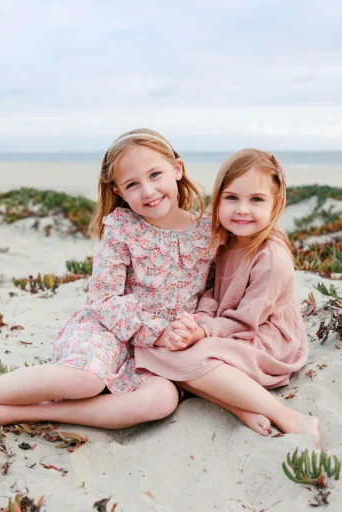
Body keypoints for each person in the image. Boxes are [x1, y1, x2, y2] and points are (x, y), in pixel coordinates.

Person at [0, 128, 215, 433]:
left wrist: (193, 329)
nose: (148, 191)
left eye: (155, 175)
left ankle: (17, 413)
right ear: (120, 192)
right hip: (111, 329)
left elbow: (221, 289)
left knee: (160, 402)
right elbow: (103, 300)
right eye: (132, 184)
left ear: (177, 169)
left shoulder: (209, 230)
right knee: (87, 380)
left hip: (166, 347)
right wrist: (155, 331)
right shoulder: (122, 229)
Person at [135, 148, 320, 443]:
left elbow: (246, 321)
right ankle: (236, 404)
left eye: (256, 200)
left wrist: (204, 331)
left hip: (264, 337)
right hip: (223, 324)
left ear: (276, 204)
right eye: (232, 198)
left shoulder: (271, 258)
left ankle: (286, 416)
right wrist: (199, 321)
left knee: (188, 356)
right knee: (156, 347)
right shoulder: (224, 238)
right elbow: (211, 289)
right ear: (218, 198)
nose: (242, 210)